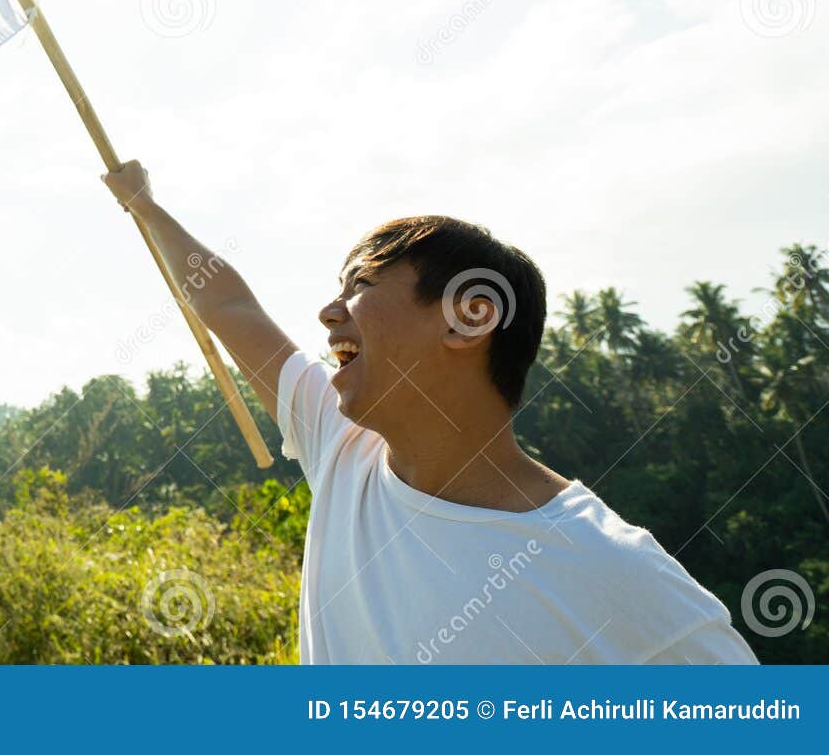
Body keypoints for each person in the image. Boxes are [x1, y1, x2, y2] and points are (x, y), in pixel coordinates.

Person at [101, 160, 756, 665]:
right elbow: (229, 308)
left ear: (468, 316)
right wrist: (143, 204)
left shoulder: (608, 571)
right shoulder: (339, 440)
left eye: (360, 286)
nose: (330, 312)